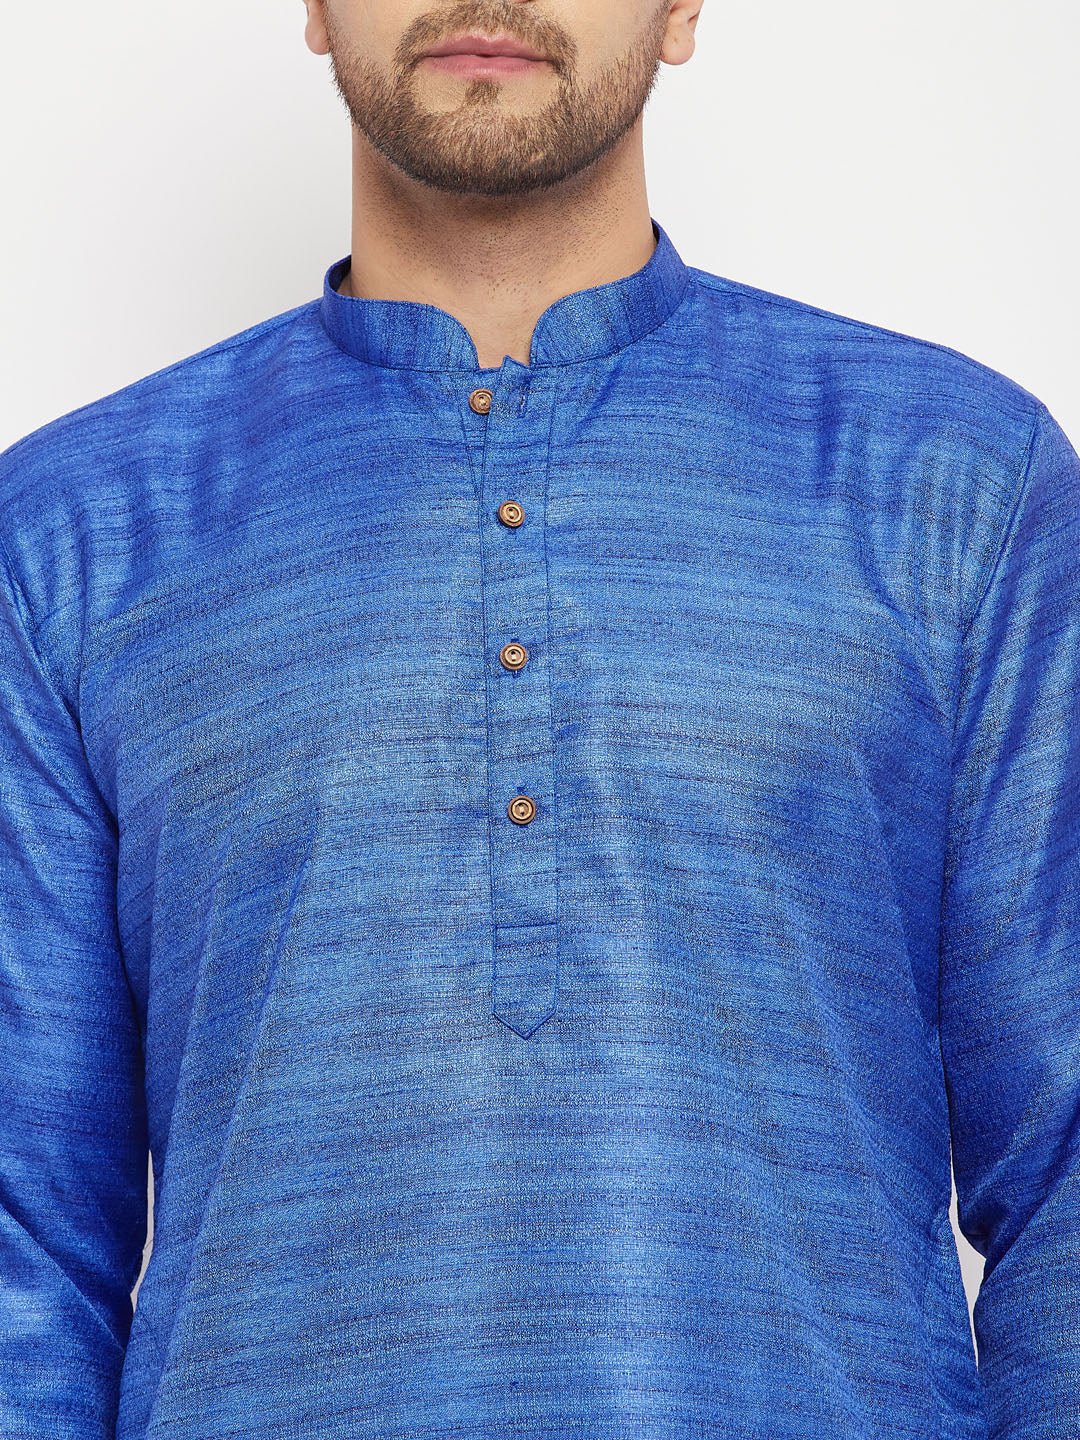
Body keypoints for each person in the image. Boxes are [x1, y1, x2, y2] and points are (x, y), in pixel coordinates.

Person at [0, 0, 1076, 1435]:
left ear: (680, 9)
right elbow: (25, 1250)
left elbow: (1065, 1168)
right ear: (314, 7)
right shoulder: (72, 536)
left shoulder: (960, 485)